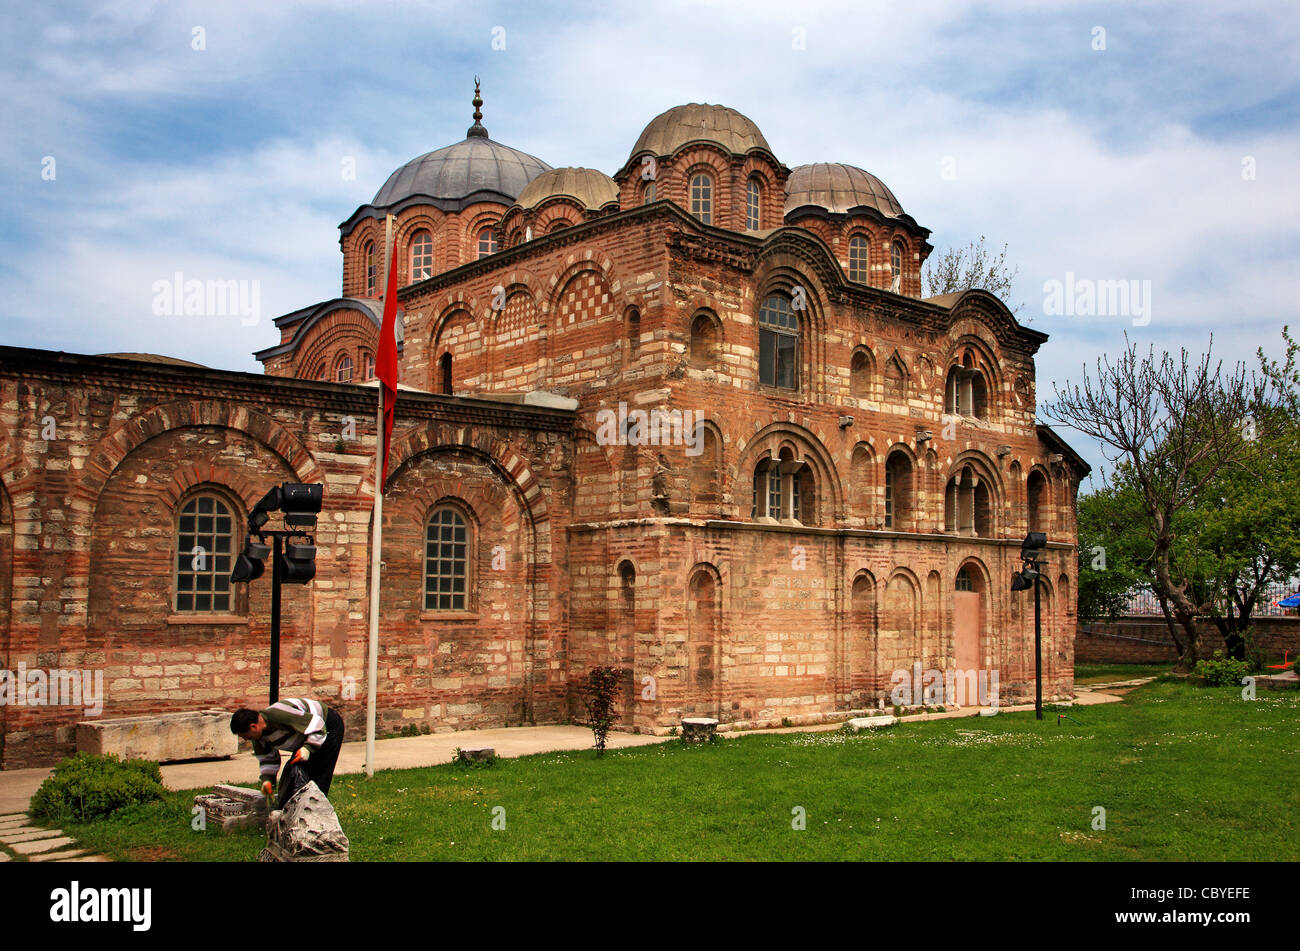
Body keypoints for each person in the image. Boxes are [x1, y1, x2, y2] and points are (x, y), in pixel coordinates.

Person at [230, 697, 344, 803]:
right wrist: (267, 780)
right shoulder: (258, 738)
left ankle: (316, 810)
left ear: (253, 726)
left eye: (245, 736)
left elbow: (317, 725)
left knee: (319, 772)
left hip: (326, 723)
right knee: (294, 773)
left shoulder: (279, 714)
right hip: (306, 734)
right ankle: (296, 808)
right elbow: (267, 759)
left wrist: (308, 748)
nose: (246, 739)